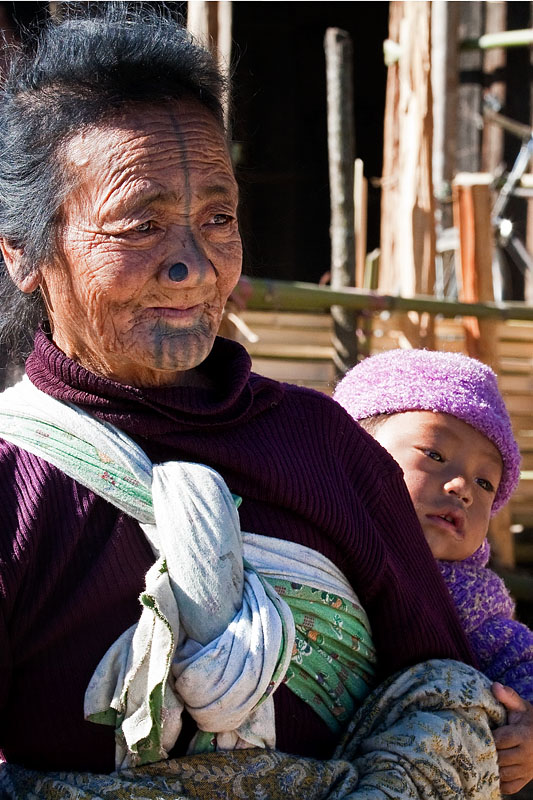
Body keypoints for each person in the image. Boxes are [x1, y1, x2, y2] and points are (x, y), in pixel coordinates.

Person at [0, 6, 506, 798]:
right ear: (23, 253)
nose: (195, 268)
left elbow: (440, 694)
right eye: (140, 224)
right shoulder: (15, 483)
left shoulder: (323, 447)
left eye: (218, 219)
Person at [334, 347, 533, 795]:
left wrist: (528, 726)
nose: (463, 488)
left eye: (485, 482)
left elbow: (523, 666)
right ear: (351, 452)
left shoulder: (470, 600)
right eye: (435, 455)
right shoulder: (306, 538)